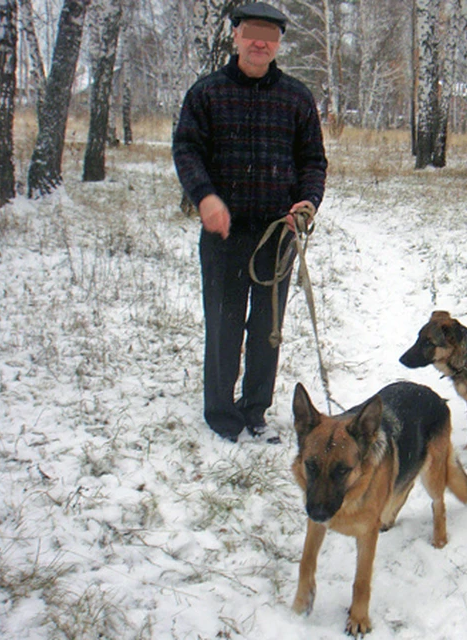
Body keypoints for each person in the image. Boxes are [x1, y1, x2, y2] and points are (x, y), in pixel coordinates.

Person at [172, 2, 327, 444]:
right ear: (236, 35)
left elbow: (313, 160)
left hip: (277, 234)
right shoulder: (207, 93)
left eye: (270, 35)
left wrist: (307, 202)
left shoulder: (296, 97)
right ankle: (222, 415)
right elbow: (186, 149)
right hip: (223, 233)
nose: (261, 42)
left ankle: (255, 409)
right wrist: (205, 196)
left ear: (278, 43)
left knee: (267, 330)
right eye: (252, 32)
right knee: (223, 324)